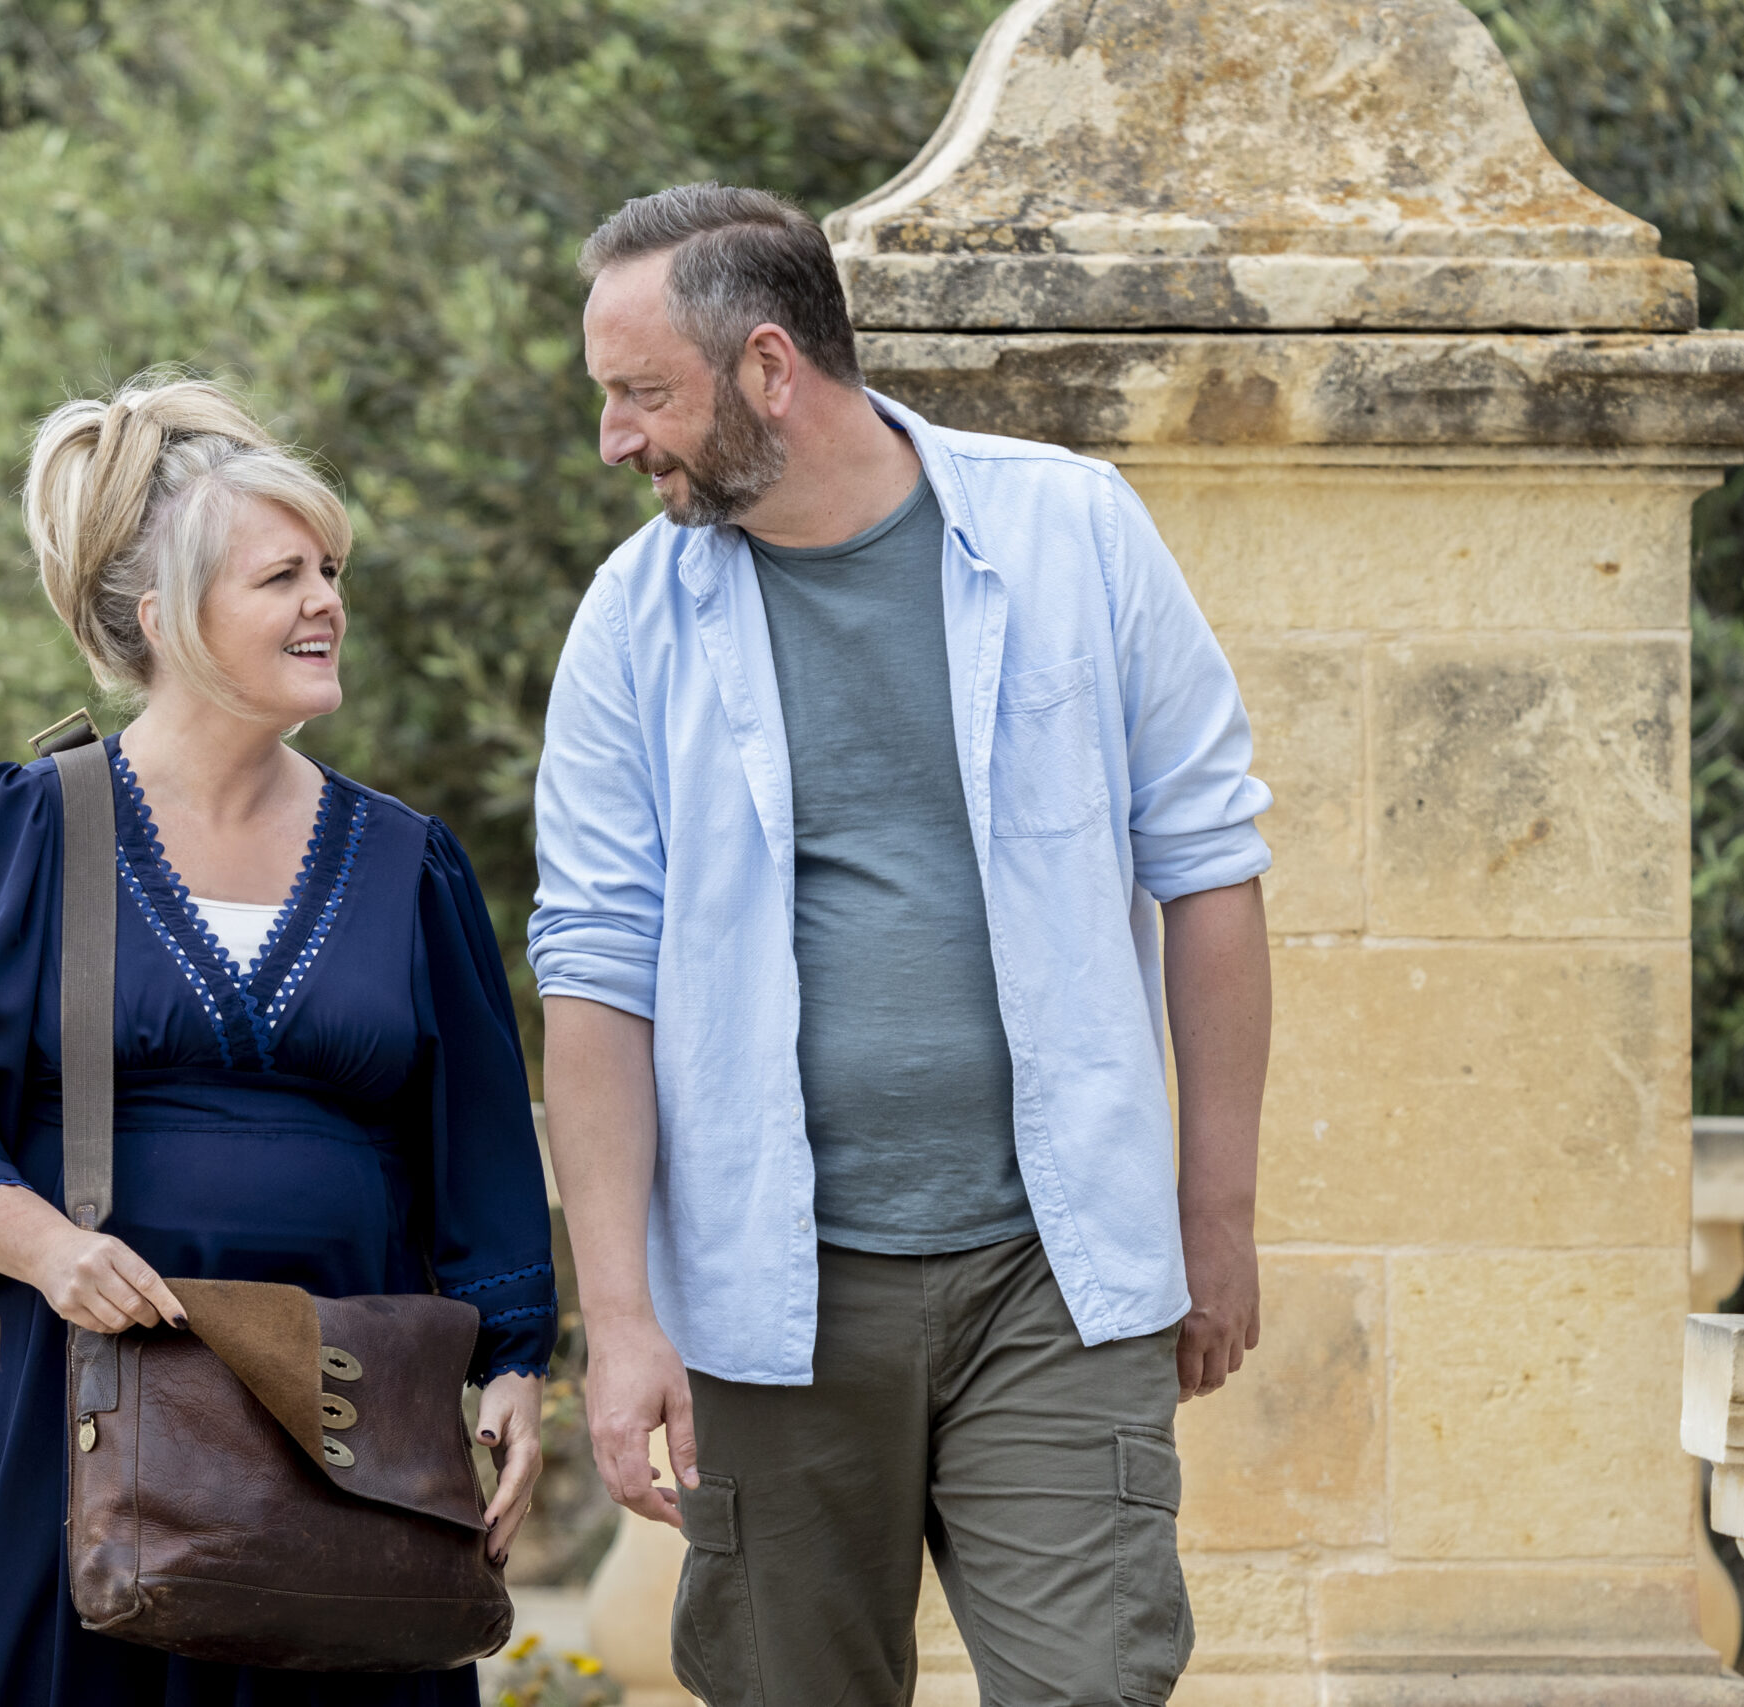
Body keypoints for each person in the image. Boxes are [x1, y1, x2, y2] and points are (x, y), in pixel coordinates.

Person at [531, 184, 1274, 1706]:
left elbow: (1209, 868)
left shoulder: (1074, 530)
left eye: (642, 394)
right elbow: (596, 973)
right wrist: (618, 1323)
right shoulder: (632, 620)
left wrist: (1217, 1215)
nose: (617, 440)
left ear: (768, 365)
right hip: (769, 1297)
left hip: (1053, 1278)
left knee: (1093, 1686)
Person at [0, 375, 557, 1707]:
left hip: (356, 1459)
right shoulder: (34, 827)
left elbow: (480, 1159)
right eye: (284, 576)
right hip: (98, 1444)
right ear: (167, 618)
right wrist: (55, 1253)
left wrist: (514, 1365)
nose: (327, 601)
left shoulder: (412, 863)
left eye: (331, 569)